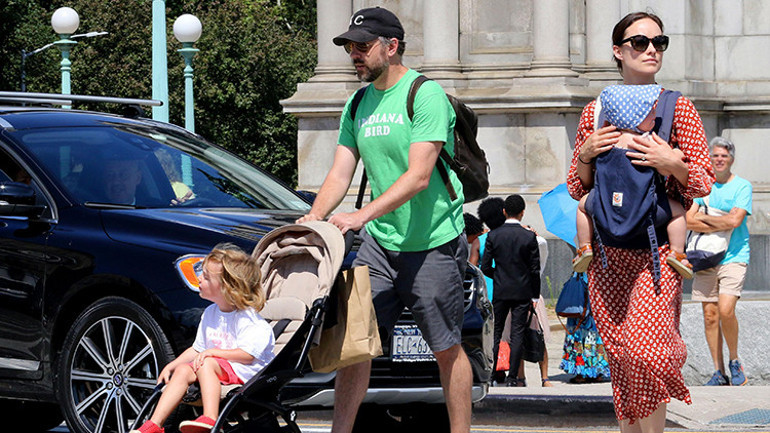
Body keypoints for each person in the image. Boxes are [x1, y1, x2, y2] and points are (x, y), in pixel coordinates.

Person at [295, 7, 472, 433]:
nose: (354, 54)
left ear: (392, 47)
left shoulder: (424, 95)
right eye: (350, 47)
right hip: (380, 244)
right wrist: (314, 218)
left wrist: (360, 215)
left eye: (362, 46)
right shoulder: (357, 103)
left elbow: (418, 176)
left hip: (433, 241)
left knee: (446, 347)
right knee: (356, 347)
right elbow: (340, 172)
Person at [567, 11, 714, 432]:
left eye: (659, 43)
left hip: (658, 253)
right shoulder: (595, 112)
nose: (652, 50)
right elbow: (577, 190)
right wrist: (584, 155)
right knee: (620, 355)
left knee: (648, 350)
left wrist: (674, 164)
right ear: (618, 50)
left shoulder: (677, 107)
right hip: (607, 255)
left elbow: (702, 181)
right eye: (640, 42)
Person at [130, 245, 275, 433]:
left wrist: (212, 353)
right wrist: (172, 365)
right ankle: (155, 424)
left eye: (206, 276)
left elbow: (247, 355)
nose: (199, 278)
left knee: (207, 362)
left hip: (245, 372)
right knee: (183, 370)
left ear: (226, 287)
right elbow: (198, 349)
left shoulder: (247, 318)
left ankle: (211, 418)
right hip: (216, 368)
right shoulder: (210, 313)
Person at [572, 84, 691, 279]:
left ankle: (584, 246)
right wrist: (675, 154)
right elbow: (663, 169)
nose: (655, 114)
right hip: (644, 208)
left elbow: (585, 175)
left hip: (605, 205)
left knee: (582, 206)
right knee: (677, 212)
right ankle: (677, 252)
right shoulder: (646, 142)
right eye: (649, 111)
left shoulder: (604, 140)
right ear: (635, 115)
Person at [686, 136, 752, 386]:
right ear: (709, 159)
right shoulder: (704, 187)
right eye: (715, 155)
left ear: (731, 159)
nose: (719, 159)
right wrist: (721, 220)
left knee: (726, 310)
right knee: (710, 315)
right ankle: (719, 371)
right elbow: (689, 221)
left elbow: (735, 223)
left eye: (724, 155)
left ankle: (735, 361)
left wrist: (707, 219)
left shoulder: (742, 186)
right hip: (704, 256)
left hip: (734, 256)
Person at [480, 195, 540, 387]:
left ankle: (490, 374)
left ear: (504, 212)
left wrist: (498, 276)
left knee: (495, 334)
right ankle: (513, 377)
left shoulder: (493, 235)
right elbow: (534, 269)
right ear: (522, 213)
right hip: (522, 291)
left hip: (500, 290)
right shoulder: (529, 236)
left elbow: (485, 266)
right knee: (517, 334)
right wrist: (534, 294)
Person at [514, 232, 553, 387]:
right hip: (515, 297)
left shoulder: (536, 256)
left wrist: (528, 232)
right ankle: (520, 377)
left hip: (533, 297)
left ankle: (544, 377)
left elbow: (542, 242)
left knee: (539, 337)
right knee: (517, 340)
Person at [559, 273, 611, 384]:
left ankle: (582, 372)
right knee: (594, 328)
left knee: (580, 326)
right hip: (597, 283)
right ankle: (596, 371)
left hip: (582, 285)